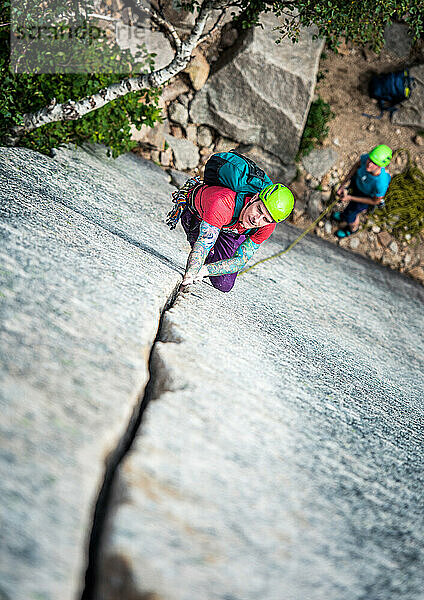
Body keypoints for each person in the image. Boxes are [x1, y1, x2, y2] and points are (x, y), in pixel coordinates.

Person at [174, 180, 295, 292]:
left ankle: (210, 257)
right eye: (259, 209)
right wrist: (189, 277)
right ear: (254, 198)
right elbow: (204, 243)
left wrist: (205, 270)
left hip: (232, 227)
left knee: (224, 284)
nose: (257, 219)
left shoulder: (267, 225)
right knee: (202, 255)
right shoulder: (224, 202)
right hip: (199, 215)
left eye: (265, 219)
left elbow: (241, 259)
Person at [333, 144, 392, 239]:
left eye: (375, 163)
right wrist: (342, 185)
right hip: (358, 183)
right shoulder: (366, 159)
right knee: (348, 208)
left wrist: (351, 198)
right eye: (370, 160)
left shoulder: (381, 183)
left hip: (366, 196)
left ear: (381, 166)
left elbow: (375, 201)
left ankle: (352, 229)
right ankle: (343, 216)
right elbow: (356, 166)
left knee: (352, 213)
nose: (369, 164)